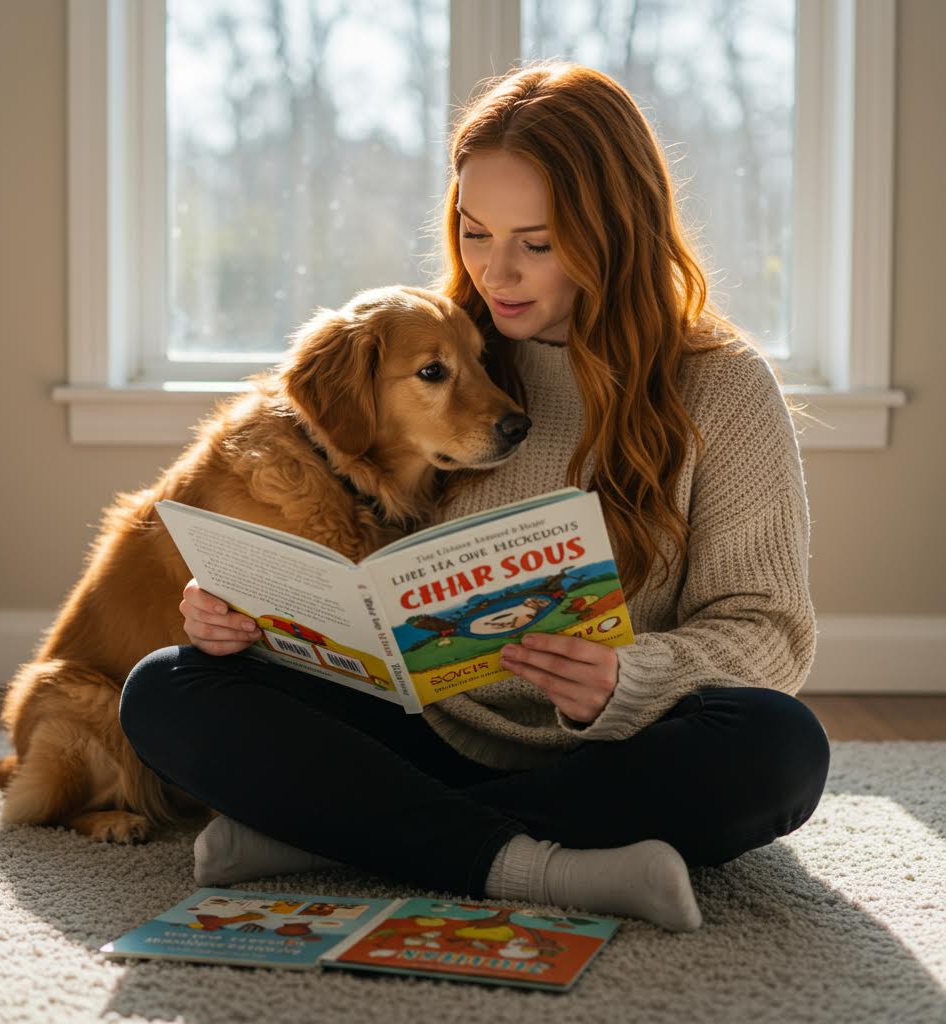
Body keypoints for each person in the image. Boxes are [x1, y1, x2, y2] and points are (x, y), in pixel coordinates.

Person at [118, 61, 830, 933]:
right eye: (473, 231)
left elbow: (770, 628)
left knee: (780, 750)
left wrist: (625, 680)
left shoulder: (723, 386)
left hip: (611, 748)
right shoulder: (450, 347)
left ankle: (349, 835)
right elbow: (350, 554)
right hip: (421, 729)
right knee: (166, 689)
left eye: (536, 243)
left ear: (618, 229)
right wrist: (247, 615)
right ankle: (546, 864)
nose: (497, 273)